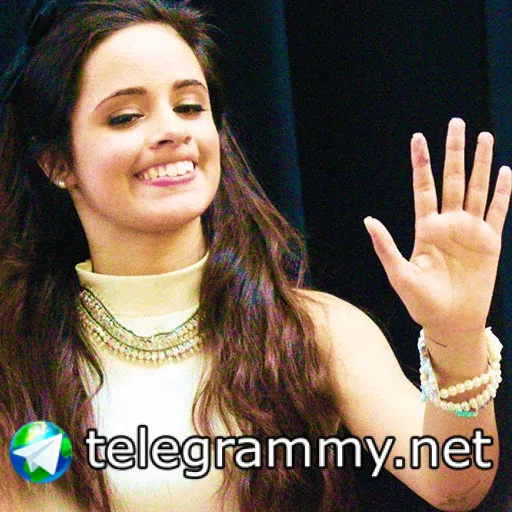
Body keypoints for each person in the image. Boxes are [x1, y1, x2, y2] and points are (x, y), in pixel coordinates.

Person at [0, 0, 510, 511]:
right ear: (57, 161)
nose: (173, 131)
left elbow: (452, 482)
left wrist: (457, 339)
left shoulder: (311, 331)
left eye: (190, 107)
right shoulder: (18, 354)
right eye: (126, 116)